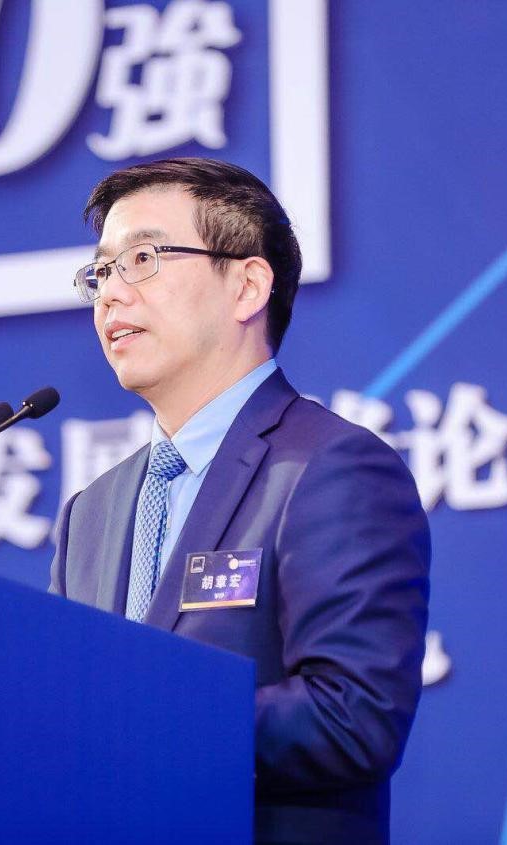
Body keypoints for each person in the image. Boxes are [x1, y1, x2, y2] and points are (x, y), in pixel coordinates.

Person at [49, 157, 430, 844]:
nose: (110, 295)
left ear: (248, 285)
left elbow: (353, 717)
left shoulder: (328, 467)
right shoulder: (91, 512)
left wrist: (139, 721)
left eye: (142, 259)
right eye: (100, 272)